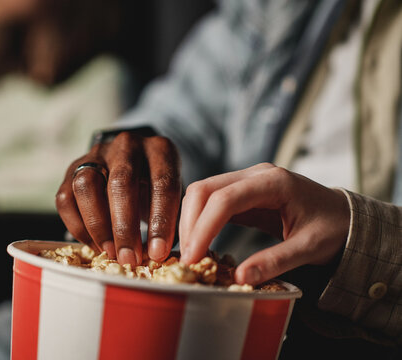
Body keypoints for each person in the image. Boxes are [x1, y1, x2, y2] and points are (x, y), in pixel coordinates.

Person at [56, 0, 402, 355]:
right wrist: (128, 158)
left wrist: (361, 238)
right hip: (200, 300)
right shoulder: (269, 8)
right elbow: (181, 117)